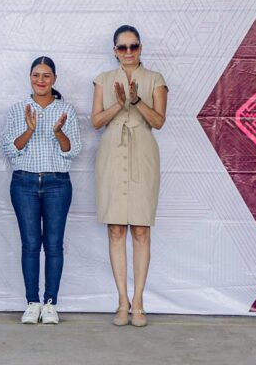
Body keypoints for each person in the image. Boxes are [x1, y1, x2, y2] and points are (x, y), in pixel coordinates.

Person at [91, 25, 168, 328]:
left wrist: (136, 101)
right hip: (112, 150)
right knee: (116, 230)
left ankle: (139, 302)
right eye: (122, 47)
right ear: (114, 50)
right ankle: (121, 301)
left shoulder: (155, 79)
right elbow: (96, 121)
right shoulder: (103, 80)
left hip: (142, 151)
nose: (127, 52)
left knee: (140, 229)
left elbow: (159, 121)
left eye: (132, 46)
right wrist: (117, 103)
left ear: (140, 48)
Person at [1, 56, 81, 324]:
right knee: (30, 244)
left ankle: (50, 303)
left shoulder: (65, 109)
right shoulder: (17, 110)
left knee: (54, 245)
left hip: (57, 183)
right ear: (30, 77)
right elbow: (11, 150)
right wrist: (30, 129)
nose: (41, 80)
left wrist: (58, 132)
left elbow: (73, 151)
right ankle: (32, 301)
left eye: (46, 75)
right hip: (24, 182)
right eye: (36, 75)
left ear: (54, 79)